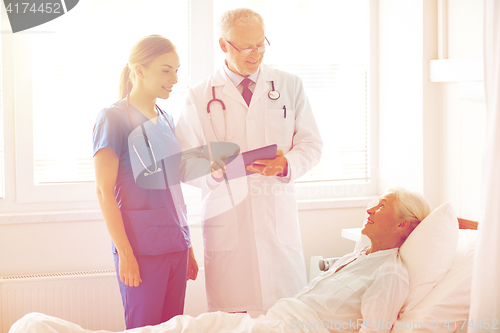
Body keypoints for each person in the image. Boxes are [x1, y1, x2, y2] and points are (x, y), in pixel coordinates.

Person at [11, 187, 431, 333]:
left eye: (383, 206)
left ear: (405, 227)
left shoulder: (390, 273)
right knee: (181, 326)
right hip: (266, 321)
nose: (371, 209)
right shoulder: (357, 256)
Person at [175, 8, 323, 313]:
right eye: (246, 47)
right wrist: (214, 173)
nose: (255, 54)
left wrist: (286, 164)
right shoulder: (200, 95)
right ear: (223, 46)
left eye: (261, 44)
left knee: (285, 317)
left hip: (276, 222)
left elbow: (311, 144)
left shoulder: (288, 85)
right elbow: (184, 162)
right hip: (228, 223)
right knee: (233, 320)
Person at [92, 35, 198, 329]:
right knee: (144, 326)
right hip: (141, 249)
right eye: (166, 70)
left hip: (175, 245)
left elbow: (174, 190)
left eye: (177, 70)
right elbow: (103, 192)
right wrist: (125, 253)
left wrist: (188, 246)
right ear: (138, 70)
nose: (174, 78)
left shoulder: (166, 118)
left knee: (173, 327)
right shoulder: (112, 118)